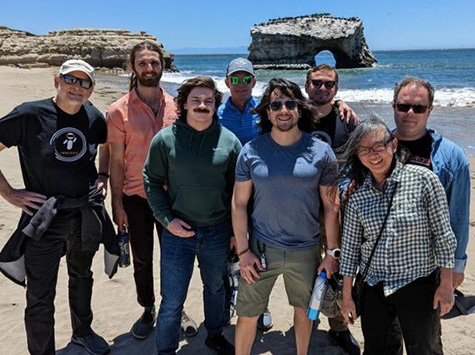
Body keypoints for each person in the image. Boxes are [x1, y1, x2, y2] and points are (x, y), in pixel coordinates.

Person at [0, 59, 116, 355]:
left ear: (92, 89)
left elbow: (107, 146)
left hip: (83, 215)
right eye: (71, 80)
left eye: (85, 82)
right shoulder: (29, 114)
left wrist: (103, 175)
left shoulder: (93, 117)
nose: (77, 87)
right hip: (44, 218)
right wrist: (10, 193)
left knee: (82, 277)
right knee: (40, 294)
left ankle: (83, 333)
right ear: (57, 81)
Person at [233, 78, 340, 355]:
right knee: (247, 314)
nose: (283, 110)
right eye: (276, 104)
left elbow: (331, 206)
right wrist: (243, 251)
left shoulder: (320, 151)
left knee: (305, 312)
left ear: (300, 109)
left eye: (290, 103)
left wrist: (331, 253)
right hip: (260, 248)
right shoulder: (251, 151)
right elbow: (239, 203)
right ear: (267, 111)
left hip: (305, 249)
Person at [104, 40, 197, 339]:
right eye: (143, 63)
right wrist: (117, 205)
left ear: (162, 65)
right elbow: (116, 161)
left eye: (154, 63)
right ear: (132, 67)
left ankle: (177, 308)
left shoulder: (178, 107)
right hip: (136, 197)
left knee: (176, 259)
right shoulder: (118, 112)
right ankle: (148, 308)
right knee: (142, 259)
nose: (149, 68)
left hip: (174, 198)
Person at [339, 117, 456, 355]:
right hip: (374, 287)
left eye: (378, 147)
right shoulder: (358, 197)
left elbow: (444, 236)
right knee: (378, 350)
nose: (373, 155)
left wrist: (446, 285)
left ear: (393, 145)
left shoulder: (424, 179)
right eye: (364, 150)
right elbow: (350, 251)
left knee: (423, 348)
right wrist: (347, 296)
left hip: (418, 283)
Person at [143, 76, 241, 355]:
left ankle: (214, 334)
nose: (202, 105)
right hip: (178, 233)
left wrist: (235, 232)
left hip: (217, 231)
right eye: (196, 100)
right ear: (183, 104)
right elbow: (151, 180)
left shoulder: (230, 142)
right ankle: (165, 349)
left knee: (216, 289)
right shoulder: (164, 140)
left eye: (208, 101)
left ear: (215, 106)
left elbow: (238, 192)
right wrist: (166, 220)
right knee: (172, 299)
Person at [391, 76, 471, 354]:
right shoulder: (377, 148)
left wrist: (455, 271)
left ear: (430, 110)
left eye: (418, 108)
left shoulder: (451, 157)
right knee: (386, 341)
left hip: (429, 272)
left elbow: (458, 218)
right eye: (403, 107)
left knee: (425, 342)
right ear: (393, 106)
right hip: (382, 269)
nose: (410, 113)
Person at [305, 64, 361, 354]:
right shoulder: (295, 116)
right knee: (305, 269)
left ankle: (338, 327)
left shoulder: (348, 120)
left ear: (336, 89)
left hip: (338, 209)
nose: (322, 88)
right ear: (306, 85)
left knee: (337, 267)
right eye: (317, 83)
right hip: (301, 208)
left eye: (328, 84)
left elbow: (362, 158)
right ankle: (307, 319)